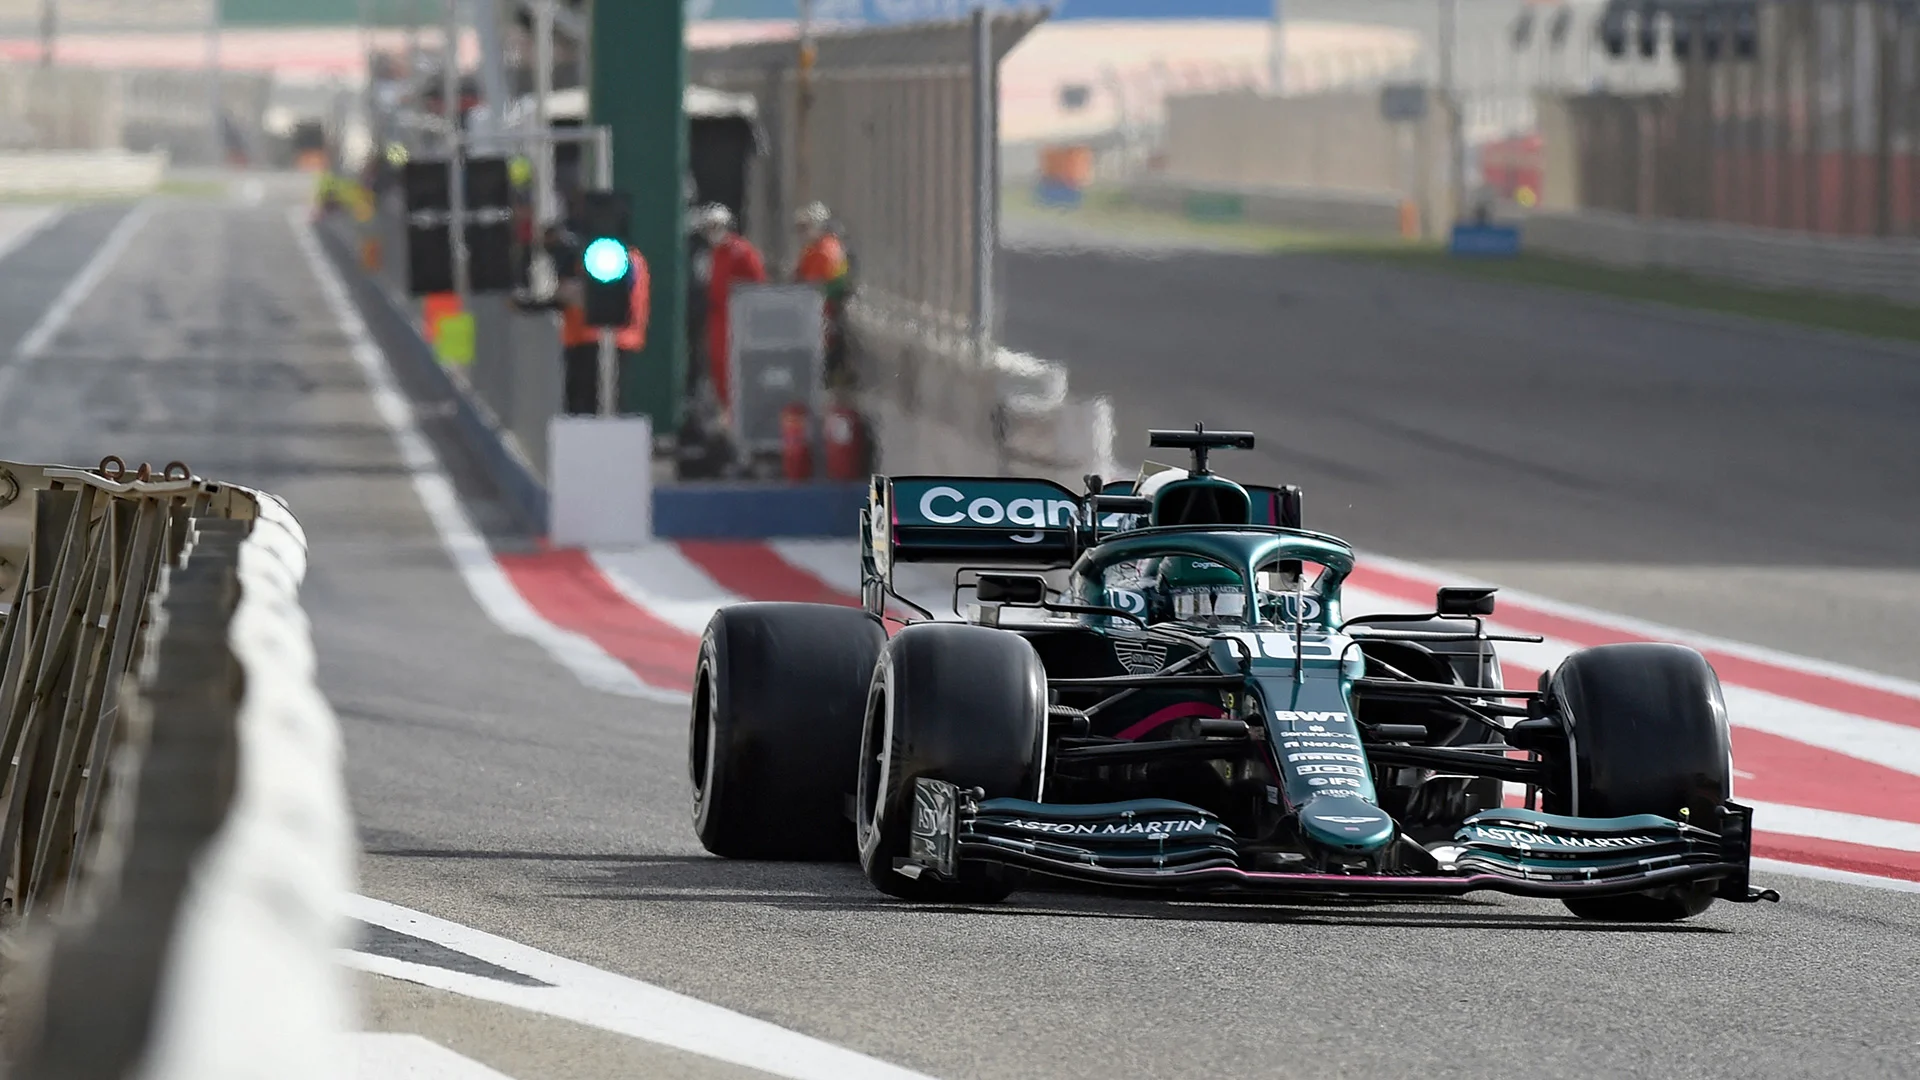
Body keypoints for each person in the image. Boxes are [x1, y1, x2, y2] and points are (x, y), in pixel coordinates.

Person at [701, 205, 766, 416]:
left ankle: (738, 411)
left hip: (738, 318)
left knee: (735, 366)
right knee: (719, 364)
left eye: (716, 226)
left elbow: (758, 282)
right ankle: (726, 410)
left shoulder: (741, 252)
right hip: (719, 317)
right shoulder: (716, 254)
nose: (713, 231)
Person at [791, 201, 853, 386]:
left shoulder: (829, 250)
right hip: (810, 314)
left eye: (805, 227)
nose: (802, 233)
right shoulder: (811, 249)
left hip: (823, 316)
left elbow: (836, 285)